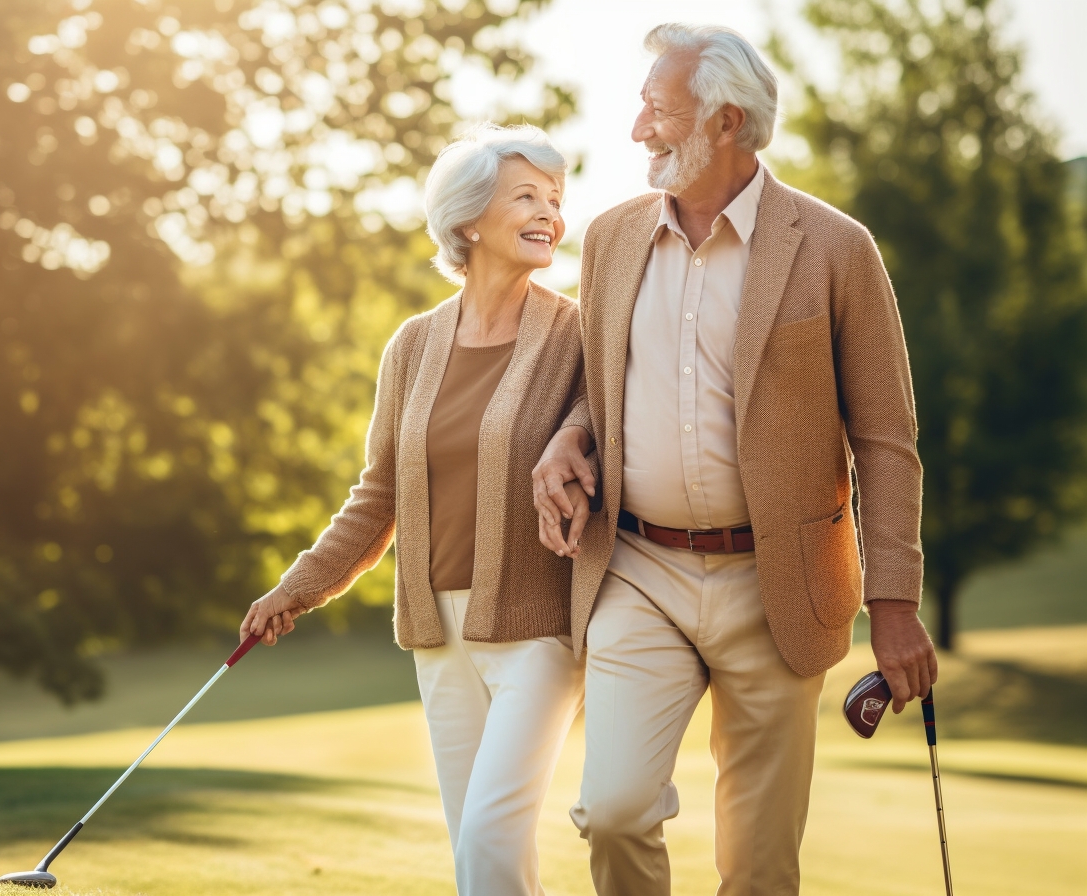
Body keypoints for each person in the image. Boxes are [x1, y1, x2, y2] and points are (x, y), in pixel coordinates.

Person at [530, 24, 939, 896]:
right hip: (637, 570)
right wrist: (571, 435)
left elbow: (886, 439)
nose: (639, 128)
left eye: (658, 109)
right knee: (612, 810)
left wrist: (895, 599)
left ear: (725, 121)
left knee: (758, 867)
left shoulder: (836, 249)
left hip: (777, 582)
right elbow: (601, 386)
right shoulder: (608, 239)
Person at [240, 123, 586, 896]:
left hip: (540, 628)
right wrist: (295, 588)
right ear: (467, 219)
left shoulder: (576, 334)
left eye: (557, 199)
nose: (550, 214)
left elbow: (597, 439)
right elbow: (379, 496)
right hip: (438, 631)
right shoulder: (413, 346)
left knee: (493, 837)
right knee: (476, 847)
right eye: (526, 195)